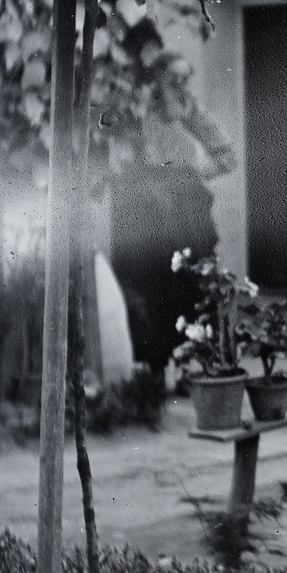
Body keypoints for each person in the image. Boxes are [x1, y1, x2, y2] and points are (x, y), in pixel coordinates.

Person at [108, 30, 237, 376]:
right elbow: (109, 138)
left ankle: (190, 366)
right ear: (158, 75)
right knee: (149, 284)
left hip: (184, 209)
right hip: (142, 207)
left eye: (185, 79)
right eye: (173, 78)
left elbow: (226, 155)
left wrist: (193, 173)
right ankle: (154, 369)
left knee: (190, 284)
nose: (180, 85)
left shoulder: (187, 108)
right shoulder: (136, 105)